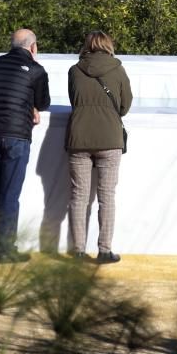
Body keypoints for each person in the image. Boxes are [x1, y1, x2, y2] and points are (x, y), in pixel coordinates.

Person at [0, 28, 50, 263]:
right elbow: (44, 102)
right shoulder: (36, 70)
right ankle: (6, 250)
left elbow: (3, 91)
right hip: (16, 135)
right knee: (10, 195)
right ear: (33, 47)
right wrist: (33, 106)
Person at [65, 31, 132, 265]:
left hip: (79, 138)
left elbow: (74, 101)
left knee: (78, 196)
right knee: (107, 197)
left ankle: (78, 252)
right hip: (109, 139)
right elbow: (124, 106)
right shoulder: (118, 69)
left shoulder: (74, 70)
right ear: (108, 45)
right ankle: (104, 250)